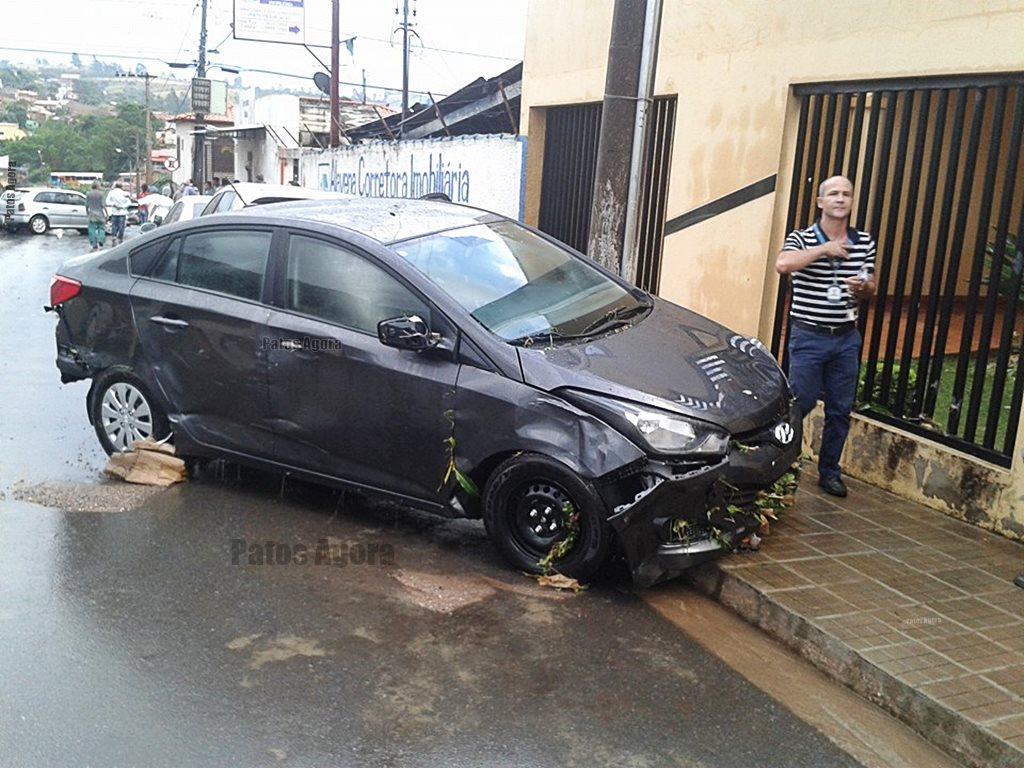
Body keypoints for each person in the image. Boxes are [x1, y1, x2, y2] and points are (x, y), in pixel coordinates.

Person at [776, 175, 876, 498]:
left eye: (846, 193)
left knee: (839, 409)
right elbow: (783, 264)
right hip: (809, 336)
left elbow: (871, 283)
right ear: (820, 202)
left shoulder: (864, 242)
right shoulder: (803, 238)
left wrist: (864, 287)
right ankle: (784, 466)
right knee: (799, 403)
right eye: (833, 193)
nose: (840, 199)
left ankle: (829, 471)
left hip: (846, 337)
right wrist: (825, 250)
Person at [85, 181, 107, 251]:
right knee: (102, 228)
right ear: (98, 186)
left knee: (92, 230)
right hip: (100, 214)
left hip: (92, 215)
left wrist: (87, 213)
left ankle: (94, 244)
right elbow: (103, 205)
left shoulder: (88, 194)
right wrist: (107, 213)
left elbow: (86, 205)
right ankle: (101, 240)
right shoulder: (101, 194)